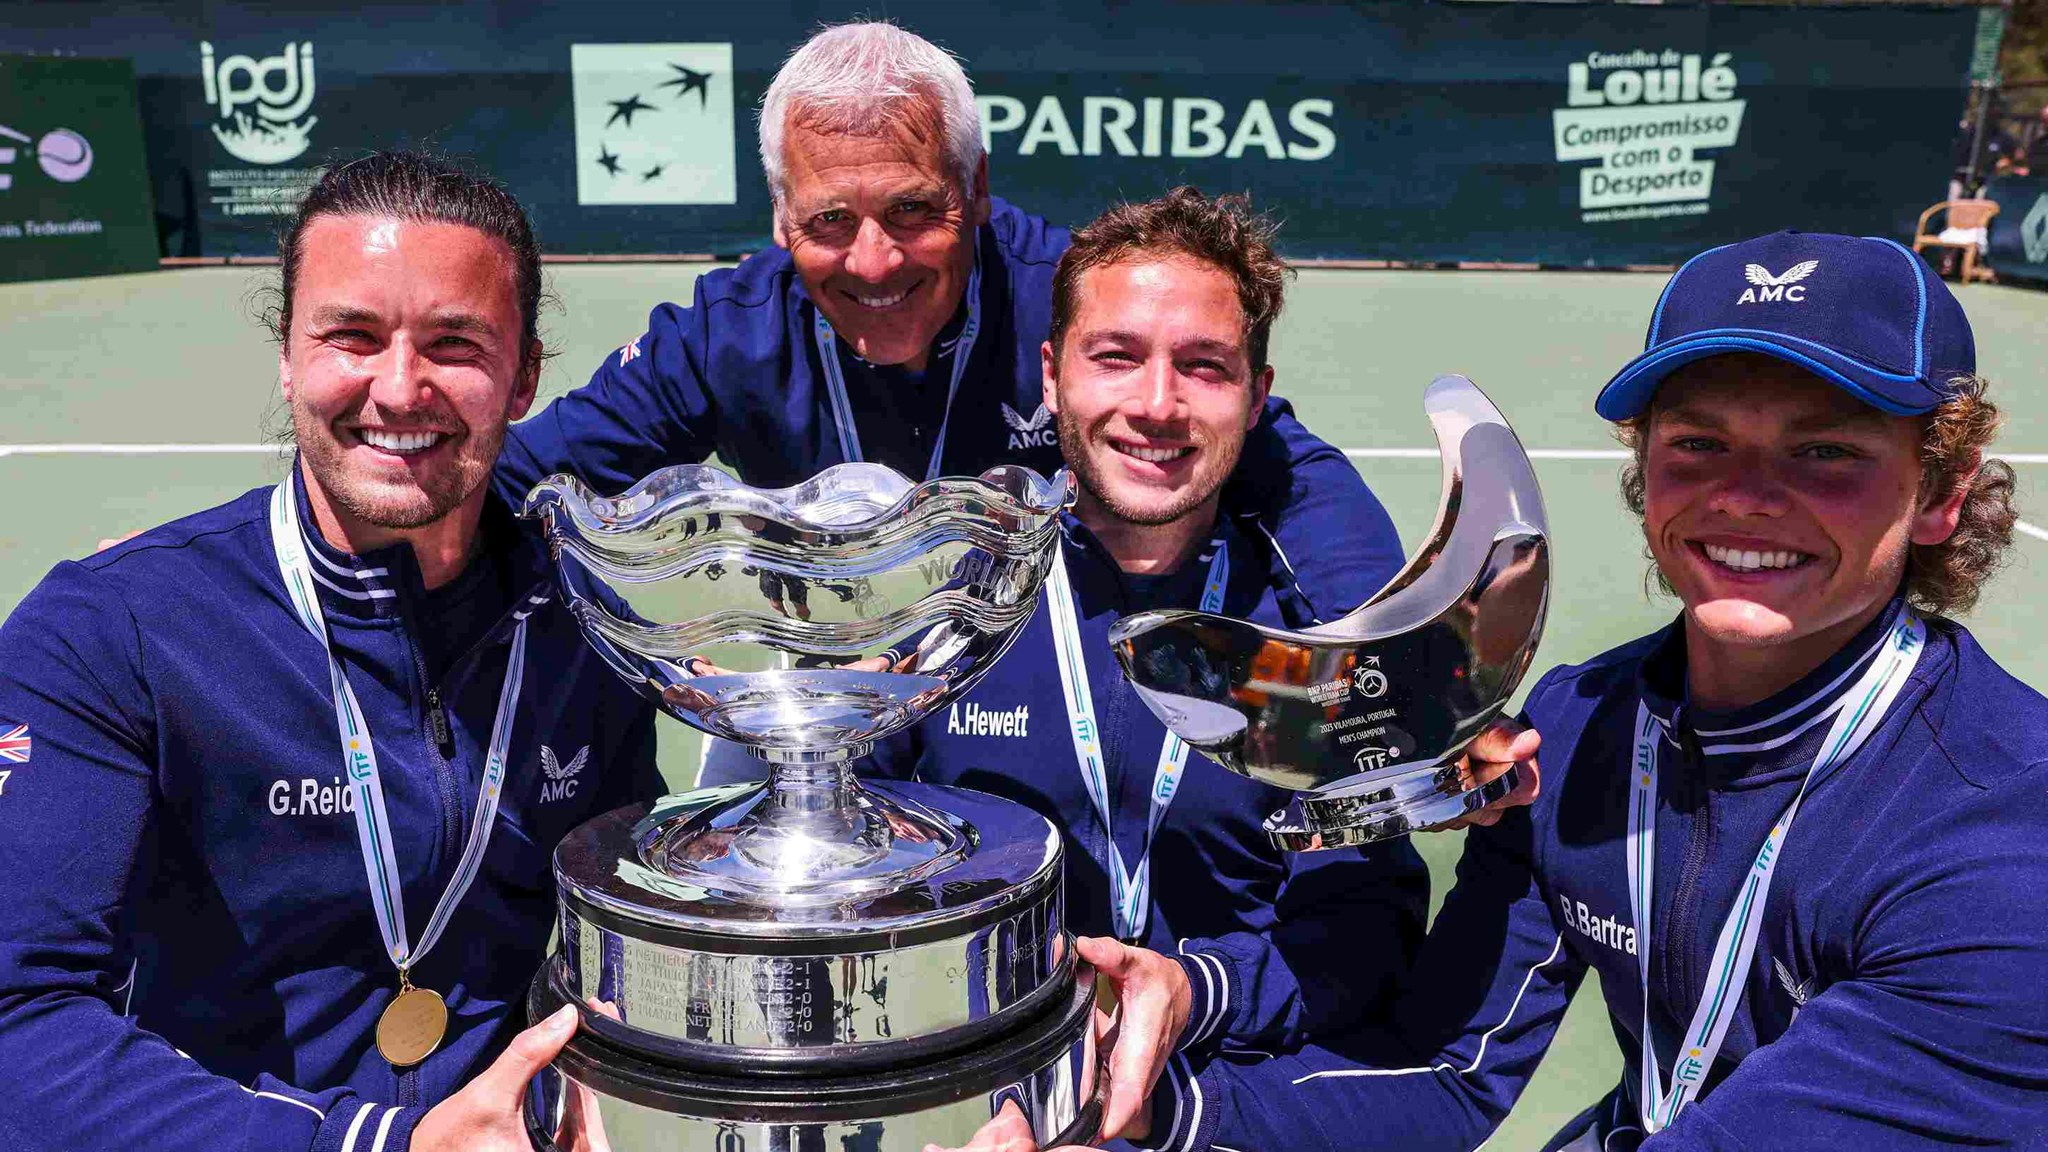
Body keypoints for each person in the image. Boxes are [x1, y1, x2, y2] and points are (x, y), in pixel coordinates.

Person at [1035, 230, 2048, 1152]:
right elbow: (1443, 1072)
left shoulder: (2002, 836)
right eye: (1697, 442)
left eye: (1823, 450)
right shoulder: (1577, 732)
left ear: (1939, 494)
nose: (1744, 493)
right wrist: (1149, 1116)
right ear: (1643, 470)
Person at [708, 188, 1537, 1149]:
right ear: (1054, 376)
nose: (1156, 404)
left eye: (1204, 368)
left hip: (1235, 1106)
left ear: (1258, 396)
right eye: (1117, 358)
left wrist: (1195, 994)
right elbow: (852, 898)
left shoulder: (1307, 630)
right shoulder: (941, 598)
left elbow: (1363, 929)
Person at [0, 153, 661, 1152]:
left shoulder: (586, 624)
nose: (399, 388)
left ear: (523, 376)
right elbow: (17, 1021)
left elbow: (611, 938)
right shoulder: (111, 630)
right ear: (287, 355)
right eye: (350, 335)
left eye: (455, 342)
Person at [495, 21, 1404, 628]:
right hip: (833, 678)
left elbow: (1287, 475)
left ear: (975, 191)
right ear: (780, 218)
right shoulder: (725, 334)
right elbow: (520, 484)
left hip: (1040, 664)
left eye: (912, 211)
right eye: (830, 222)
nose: (876, 261)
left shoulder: (1067, 294)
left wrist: (1383, 658)